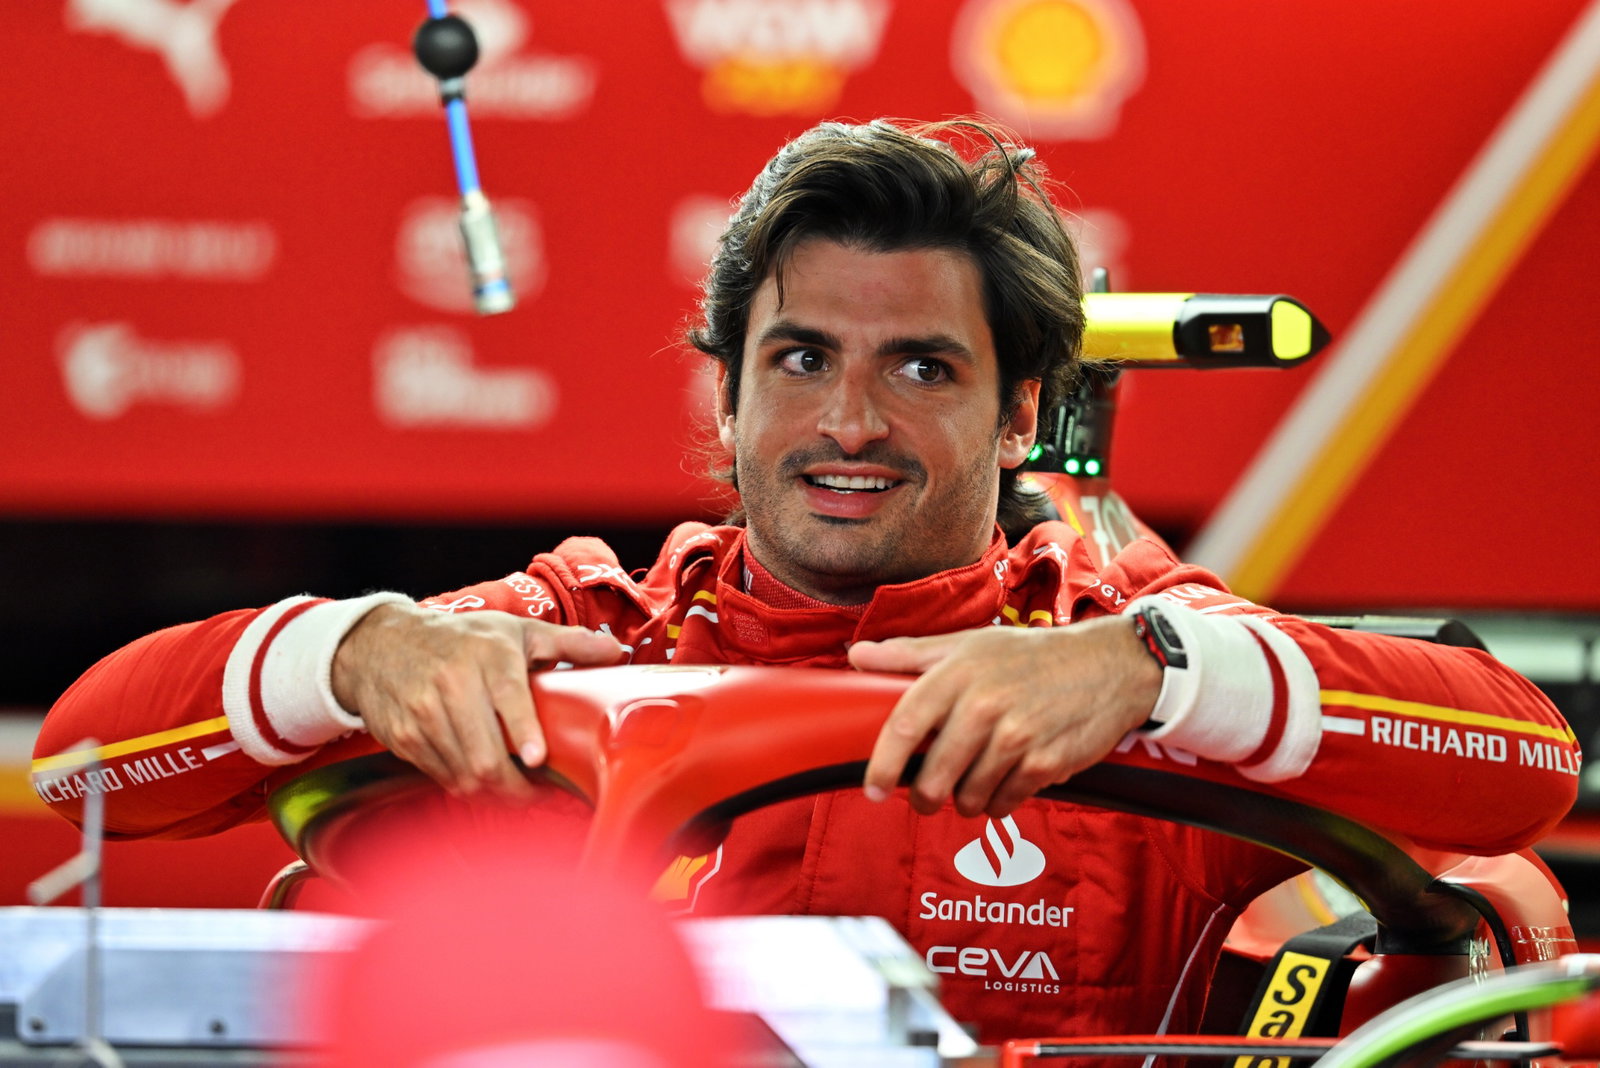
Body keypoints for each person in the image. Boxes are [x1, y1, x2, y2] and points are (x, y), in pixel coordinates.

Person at [34, 119, 1578, 1044]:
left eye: (921, 366)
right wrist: (347, 652)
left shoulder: (1118, 649)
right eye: (801, 360)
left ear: (1021, 408)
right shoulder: (580, 632)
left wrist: (1152, 675)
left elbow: (1523, 762)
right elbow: (81, 769)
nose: (850, 423)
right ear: (724, 396)